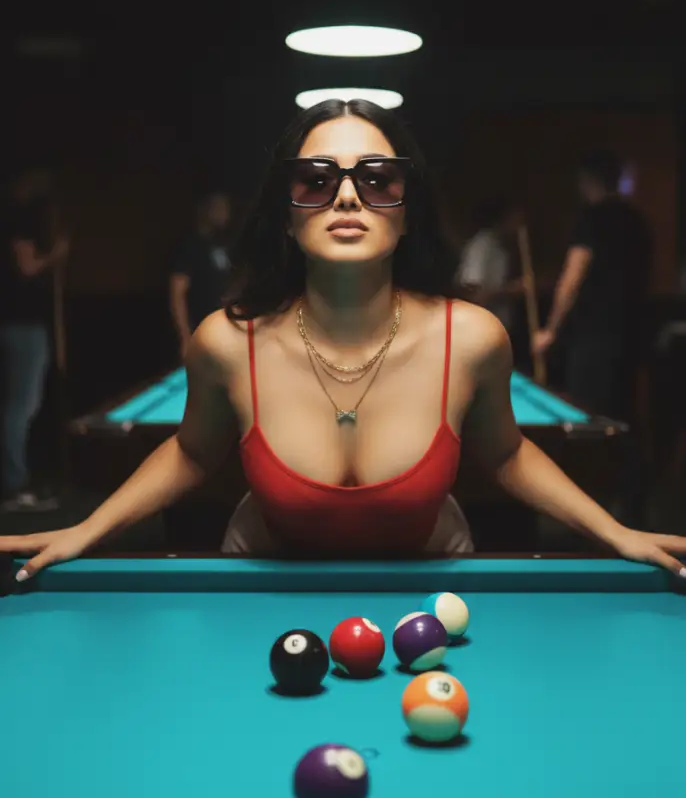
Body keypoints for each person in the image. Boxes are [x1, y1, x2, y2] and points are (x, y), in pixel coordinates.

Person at [1, 102, 685, 581]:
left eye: (378, 178)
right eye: (317, 180)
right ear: (286, 216)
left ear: (407, 211)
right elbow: (189, 452)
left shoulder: (473, 338)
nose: (349, 197)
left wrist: (614, 533)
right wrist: (82, 530)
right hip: (259, 573)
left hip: (434, 572)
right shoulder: (225, 342)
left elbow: (506, 453)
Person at [533, 150, 653, 423]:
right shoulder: (639, 221)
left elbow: (573, 277)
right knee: (621, 419)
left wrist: (550, 331)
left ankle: (589, 467)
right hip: (631, 337)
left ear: (586, 180)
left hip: (594, 339)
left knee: (587, 421)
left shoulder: (592, 218)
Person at [0, 169, 68, 512]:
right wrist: (56, 253)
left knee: (20, 407)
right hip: (21, 326)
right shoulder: (17, 220)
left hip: (21, 325)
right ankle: (13, 487)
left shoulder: (17, 218)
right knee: (19, 408)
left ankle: (16, 481)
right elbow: (28, 268)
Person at [169, 191, 232, 360]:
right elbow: (177, 293)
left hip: (226, 332)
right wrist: (185, 337)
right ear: (207, 210)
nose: (225, 212)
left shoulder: (224, 245)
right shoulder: (191, 246)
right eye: (219, 208)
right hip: (202, 334)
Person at [457, 197, 525, 335]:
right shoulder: (482, 246)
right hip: (480, 331)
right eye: (517, 218)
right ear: (505, 218)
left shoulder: (504, 249)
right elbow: (472, 294)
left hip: (498, 330)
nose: (522, 224)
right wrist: (513, 290)